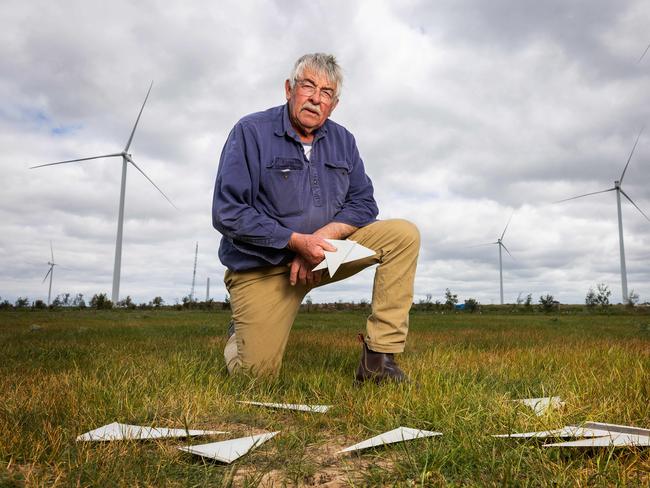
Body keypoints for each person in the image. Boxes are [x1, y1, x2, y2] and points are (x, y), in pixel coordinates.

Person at [212, 53, 419, 383]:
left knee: (403, 235)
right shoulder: (250, 131)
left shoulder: (344, 140)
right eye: (307, 85)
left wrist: (320, 241)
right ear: (288, 89)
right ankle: (239, 334)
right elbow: (228, 212)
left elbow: (364, 203)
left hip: (324, 256)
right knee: (255, 378)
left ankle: (379, 360)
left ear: (334, 104)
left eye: (326, 92)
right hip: (264, 268)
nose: (315, 98)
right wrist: (296, 242)